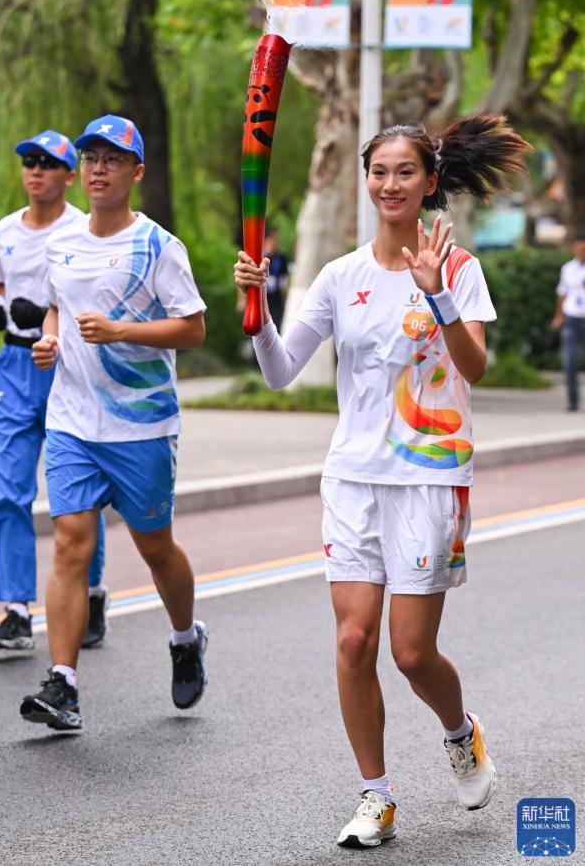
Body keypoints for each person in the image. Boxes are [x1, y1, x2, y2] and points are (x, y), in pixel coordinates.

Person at [235, 116, 531, 849]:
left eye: (405, 172)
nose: (390, 184)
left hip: (430, 477)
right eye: (379, 172)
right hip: (353, 478)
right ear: (365, 180)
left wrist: (437, 294)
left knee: (410, 653)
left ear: (430, 181)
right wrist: (260, 309)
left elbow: (476, 367)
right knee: (352, 639)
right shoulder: (341, 277)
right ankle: (376, 796)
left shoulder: (457, 267)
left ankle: (460, 733)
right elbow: (278, 371)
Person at [20, 115, 208, 731]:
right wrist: (48, 342)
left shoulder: (157, 246)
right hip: (73, 419)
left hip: (142, 426)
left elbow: (193, 327)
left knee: (154, 547)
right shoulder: (63, 243)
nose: (99, 169)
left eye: (113, 159)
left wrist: (122, 329)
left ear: (136, 172)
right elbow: (56, 308)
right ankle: (64, 684)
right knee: (71, 542)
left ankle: (185, 636)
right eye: (91, 157)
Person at [0, 130, 108, 652]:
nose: (35, 171)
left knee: (76, 494)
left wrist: (52, 320)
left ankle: (93, 593)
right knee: (7, 488)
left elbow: (102, 299)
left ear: (66, 174)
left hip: (69, 364)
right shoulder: (1, 232)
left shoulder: (85, 230)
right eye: (28, 162)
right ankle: (14, 609)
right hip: (16, 365)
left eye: (48, 163)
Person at [552, 236, 585, 411]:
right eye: (579, 249)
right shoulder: (568, 269)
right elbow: (562, 293)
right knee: (570, 360)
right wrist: (559, 316)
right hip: (572, 318)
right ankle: (573, 400)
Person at [264, 226, 289, 333]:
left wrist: (286, 297)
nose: (276, 242)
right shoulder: (260, 256)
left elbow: (284, 280)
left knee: (275, 328)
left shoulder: (282, 258)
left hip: (276, 300)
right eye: (274, 239)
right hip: (262, 297)